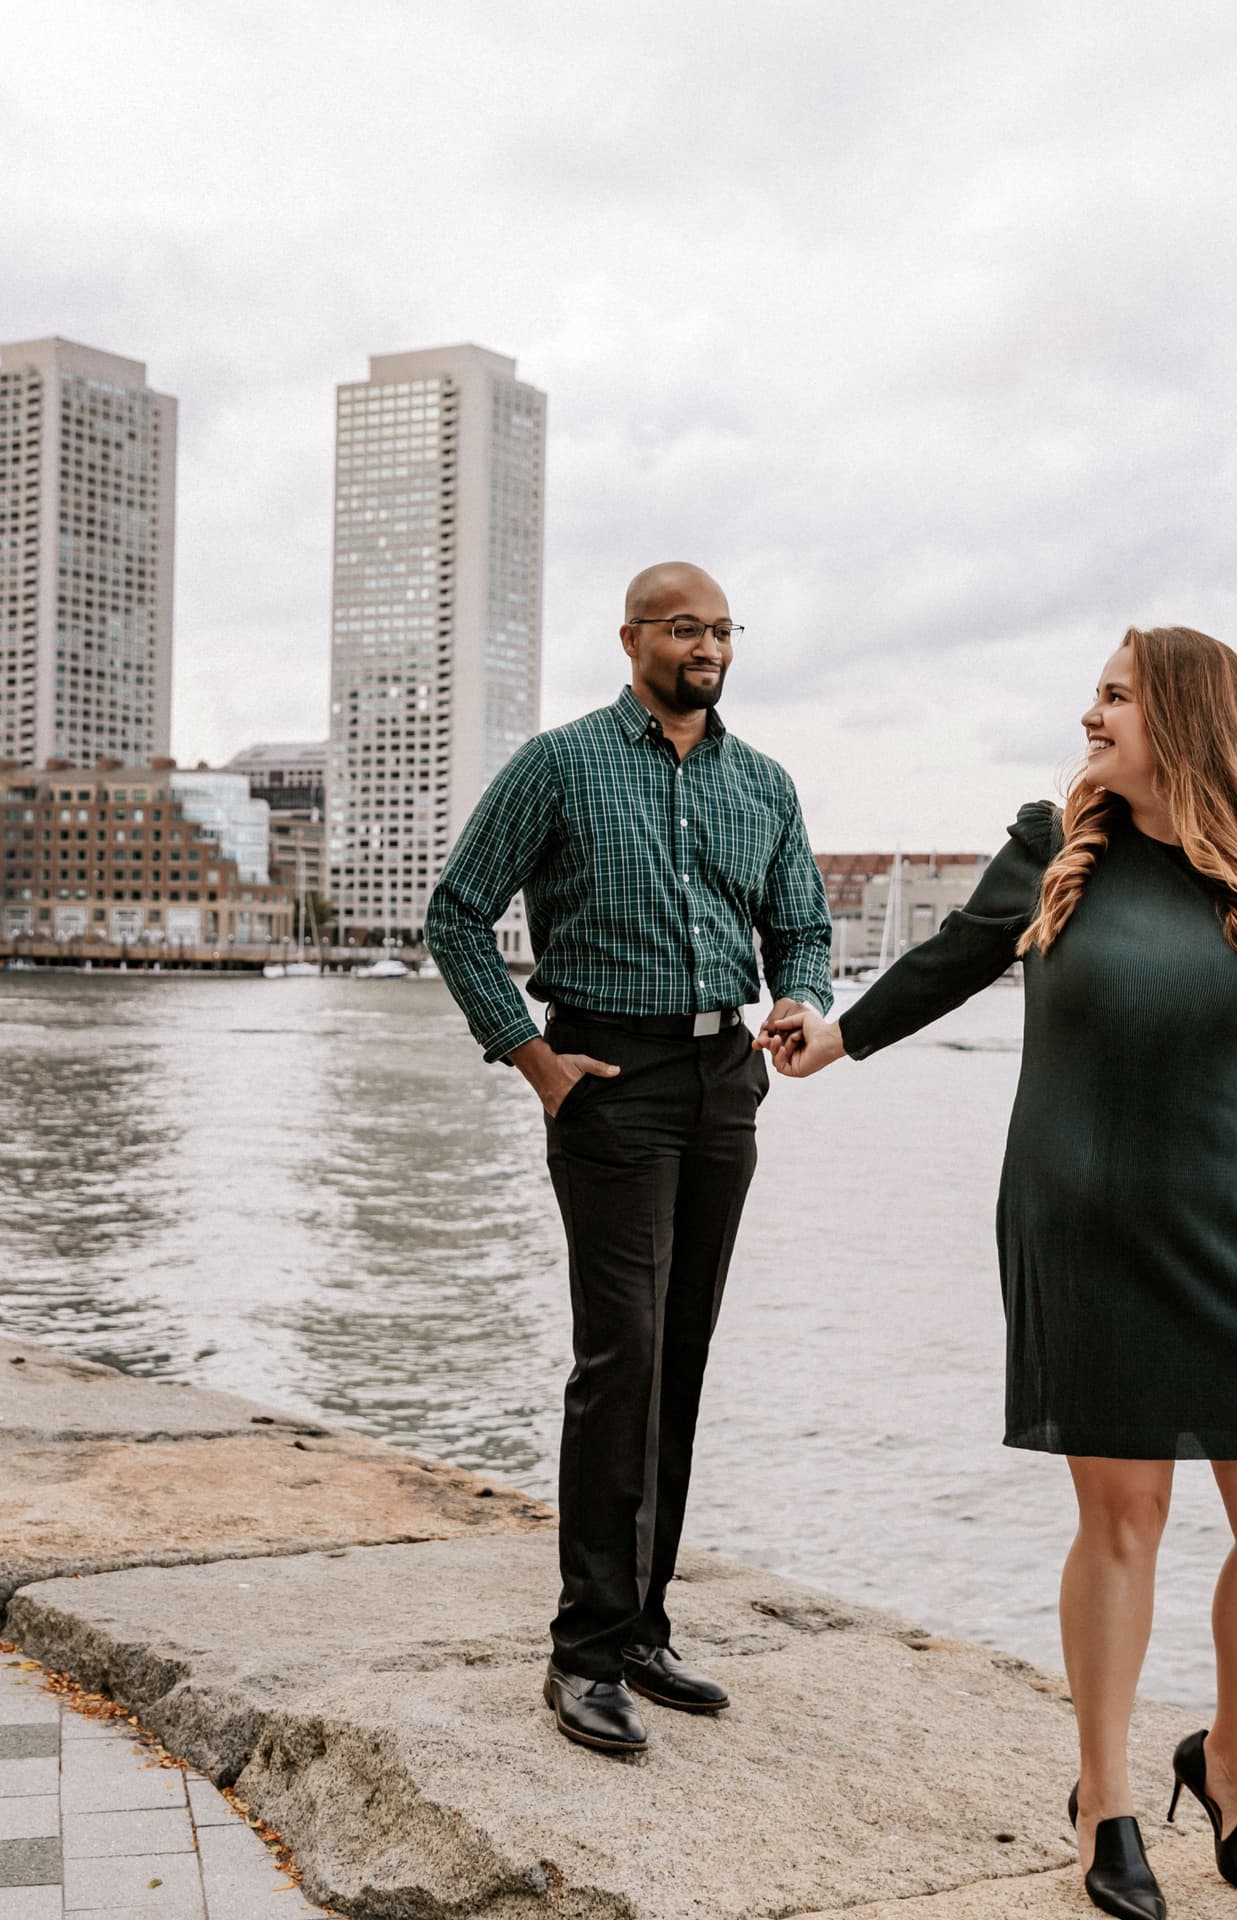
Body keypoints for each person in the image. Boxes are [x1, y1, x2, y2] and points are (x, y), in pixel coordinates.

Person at [762, 626, 1237, 1914]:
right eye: (1094, 692)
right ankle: (1106, 1804)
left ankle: (1234, 1770)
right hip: (1084, 1236)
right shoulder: (1055, 848)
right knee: (1125, 1516)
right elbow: (948, 963)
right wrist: (833, 1039)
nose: (1089, 715)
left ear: (1188, 719)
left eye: (1116, 695)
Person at [427, 562, 834, 1757]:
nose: (705, 644)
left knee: (685, 1352)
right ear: (632, 639)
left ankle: (647, 1628)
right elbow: (456, 912)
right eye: (682, 626)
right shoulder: (561, 764)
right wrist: (532, 1056)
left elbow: (801, 922)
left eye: (719, 628)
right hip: (608, 1081)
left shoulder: (763, 782)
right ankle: (585, 1649)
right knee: (624, 1355)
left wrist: (801, 998)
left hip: (724, 1086)